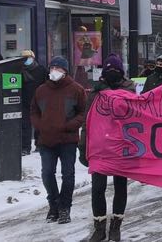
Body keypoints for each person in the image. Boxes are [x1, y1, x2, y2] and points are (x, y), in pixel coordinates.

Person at [83, 54, 136, 242]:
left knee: (120, 187)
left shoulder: (129, 90)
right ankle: (99, 227)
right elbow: (87, 122)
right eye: (109, 71)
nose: (112, 73)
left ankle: (116, 226)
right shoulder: (95, 93)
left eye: (115, 70)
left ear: (121, 73)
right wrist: (83, 147)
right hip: (99, 148)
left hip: (121, 147)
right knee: (98, 188)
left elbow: (134, 117)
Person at [31, 56, 88, 225]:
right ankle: (53, 204)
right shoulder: (41, 90)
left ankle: (65, 207)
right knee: (47, 173)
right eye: (52, 68)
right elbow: (33, 111)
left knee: (68, 174)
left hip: (67, 139)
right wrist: (40, 125)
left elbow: (83, 113)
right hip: (46, 139)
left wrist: (69, 125)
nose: (54, 71)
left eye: (58, 68)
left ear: (65, 71)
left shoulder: (76, 89)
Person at [21, 50, 49, 156]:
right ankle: (25, 147)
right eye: (23, 58)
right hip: (24, 102)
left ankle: (39, 144)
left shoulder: (41, 70)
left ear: (33, 57)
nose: (26, 60)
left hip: (39, 101)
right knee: (25, 125)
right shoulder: (19, 71)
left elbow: (47, 83)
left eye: (28, 57)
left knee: (39, 124)